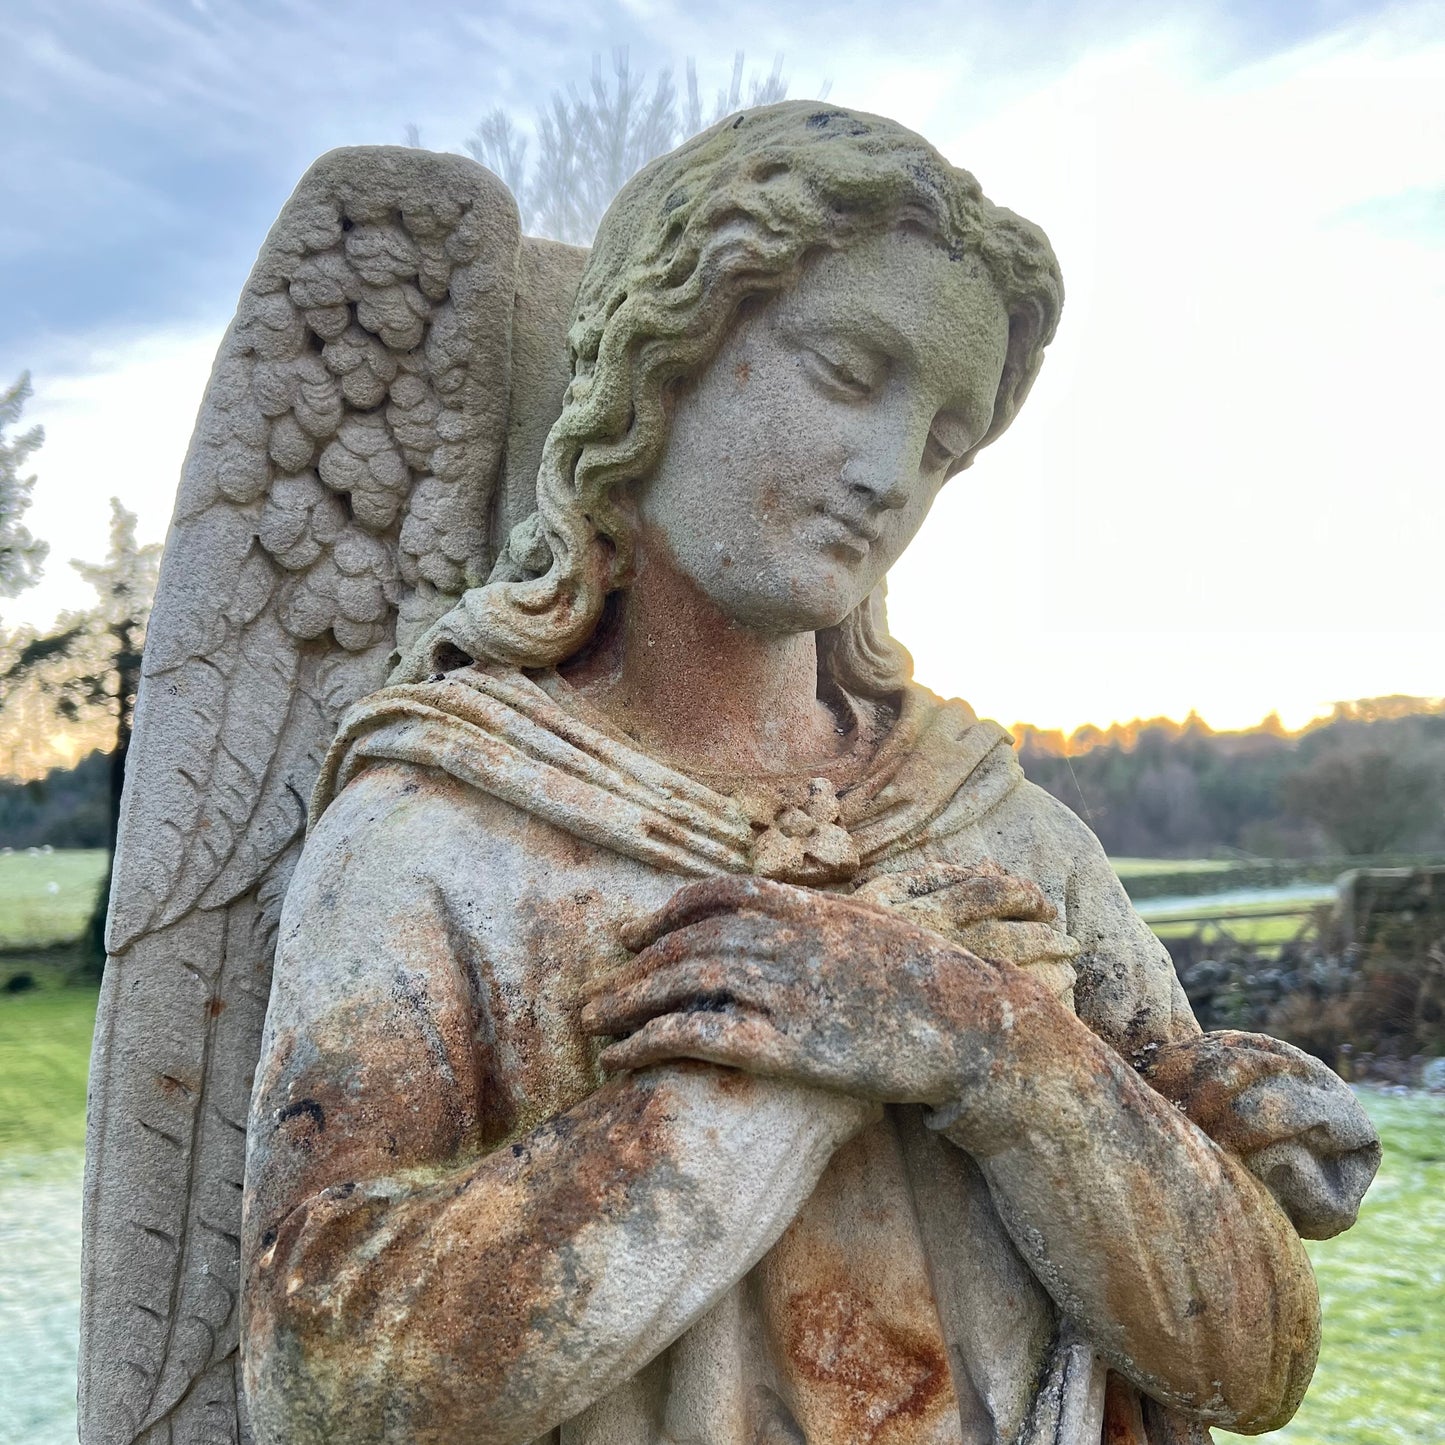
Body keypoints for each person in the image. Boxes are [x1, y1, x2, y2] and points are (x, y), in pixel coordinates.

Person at [240, 103, 1378, 1445]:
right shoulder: (441, 830)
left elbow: (1250, 1361)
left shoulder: (1008, 836)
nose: (892, 476)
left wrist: (989, 1044)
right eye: (848, 369)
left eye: (944, 443)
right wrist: (788, 1067)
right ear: (659, 360)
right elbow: (326, 1383)